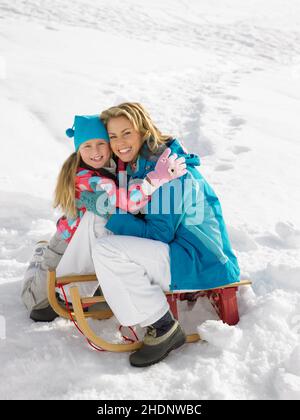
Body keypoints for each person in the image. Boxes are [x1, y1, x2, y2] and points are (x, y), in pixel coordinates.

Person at [80, 102, 240, 367]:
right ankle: (106, 288)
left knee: (108, 248)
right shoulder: (139, 166)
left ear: (143, 130)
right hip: (180, 253)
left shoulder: (170, 171)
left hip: (198, 260)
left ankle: (163, 326)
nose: (119, 143)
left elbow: (158, 234)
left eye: (127, 133)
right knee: (102, 224)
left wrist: (111, 212)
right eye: (113, 136)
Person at [21, 114, 186, 322]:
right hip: (64, 246)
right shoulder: (89, 179)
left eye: (101, 143)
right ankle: (37, 258)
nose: (95, 152)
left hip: (80, 245)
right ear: (79, 150)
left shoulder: (111, 169)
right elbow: (127, 202)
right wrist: (152, 181)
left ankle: (59, 268)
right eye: (87, 146)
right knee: (34, 300)